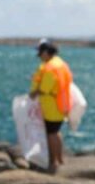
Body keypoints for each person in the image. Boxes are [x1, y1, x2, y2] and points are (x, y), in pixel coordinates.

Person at [29, 39, 72, 172]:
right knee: (56, 132)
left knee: (51, 134)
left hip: (51, 107)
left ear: (47, 52)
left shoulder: (50, 67)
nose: (39, 56)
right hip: (61, 104)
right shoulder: (61, 64)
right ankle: (60, 159)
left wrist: (34, 93)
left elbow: (44, 88)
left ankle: (53, 162)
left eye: (41, 53)